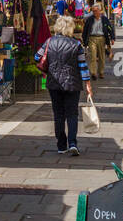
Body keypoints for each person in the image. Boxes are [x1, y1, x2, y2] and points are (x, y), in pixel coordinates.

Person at [36, 16, 94, 156]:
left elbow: (37, 57)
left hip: (54, 83)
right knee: (72, 114)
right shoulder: (76, 44)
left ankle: (61, 145)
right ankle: (73, 143)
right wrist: (88, 84)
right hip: (72, 83)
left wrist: (48, 68)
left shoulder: (49, 42)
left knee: (58, 114)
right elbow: (82, 65)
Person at [81, 0, 114, 79]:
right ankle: (93, 72)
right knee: (92, 56)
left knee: (101, 56)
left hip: (102, 38)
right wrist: (84, 41)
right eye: (93, 11)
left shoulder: (104, 19)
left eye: (96, 11)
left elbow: (110, 28)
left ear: (100, 10)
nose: (94, 12)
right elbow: (85, 30)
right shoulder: (90, 19)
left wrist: (112, 38)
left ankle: (101, 72)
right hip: (92, 38)